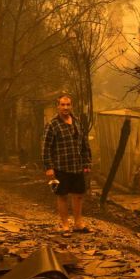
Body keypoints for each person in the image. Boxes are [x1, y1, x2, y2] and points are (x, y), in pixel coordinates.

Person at [41, 94, 92, 236]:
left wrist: (87, 163)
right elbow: (46, 148)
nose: (65, 107)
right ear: (58, 106)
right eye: (62, 105)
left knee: (78, 195)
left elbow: (84, 145)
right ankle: (65, 225)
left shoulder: (77, 123)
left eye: (68, 104)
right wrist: (49, 167)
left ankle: (78, 223)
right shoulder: (52, 124)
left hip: (77, 166)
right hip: (61, 167)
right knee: (62, 195)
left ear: (71, 106)